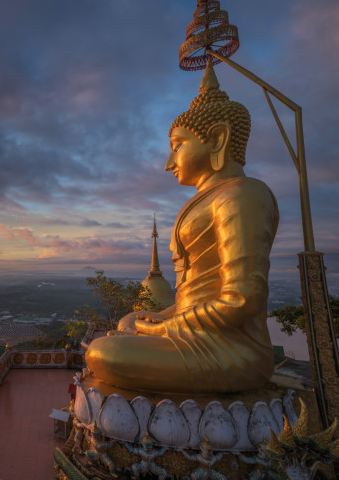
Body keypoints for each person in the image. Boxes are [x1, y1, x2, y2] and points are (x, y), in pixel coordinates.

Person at [85, 61, 278, 393]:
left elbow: (241, 300)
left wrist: (165, 328)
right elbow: (192, 297)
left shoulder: (243, 196)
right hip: (194, 329)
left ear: (217, 138)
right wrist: (161, 319)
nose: (169, 162)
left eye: (177, 146)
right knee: (128, 322)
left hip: (232, 349)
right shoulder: (211, 198)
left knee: (103, 353)